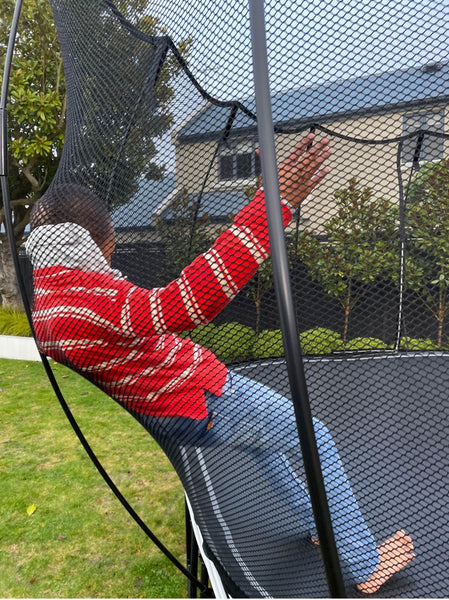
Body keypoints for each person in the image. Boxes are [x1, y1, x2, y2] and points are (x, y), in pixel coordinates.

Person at [25, 134, 414, 593]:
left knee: (268, 447)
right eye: (110, 244)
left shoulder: (47, 308)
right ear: (96, 244)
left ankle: (320, 526)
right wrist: (276, 202)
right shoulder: (99, 301)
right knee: (315, 438)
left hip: (174, 412)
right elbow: (193, 299)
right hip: (201, 398)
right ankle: (366, 564)